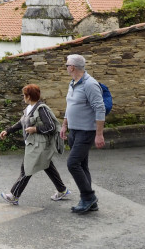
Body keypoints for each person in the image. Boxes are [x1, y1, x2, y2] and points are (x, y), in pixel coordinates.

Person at [0, 84, 70, 206]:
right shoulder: (29, 109)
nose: (23, 97)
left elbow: (51, 127)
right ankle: (62, 190)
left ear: (29, 96)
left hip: (39, 145)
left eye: (24, 95)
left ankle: (14, 196)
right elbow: (21, 123)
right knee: (47, 166)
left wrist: (35, 129)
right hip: (33, 144)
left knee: (27, 168)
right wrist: (8, 131)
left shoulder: (41, 109)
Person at [60, 54, 105, 214]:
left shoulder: (90, 84)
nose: (66, 67)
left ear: (72, 67)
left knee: (72, 163)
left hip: (86, 132)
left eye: (67, 65)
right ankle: (91, 203)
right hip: (74, 130)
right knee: (82, 165)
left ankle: (88, 196)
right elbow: (69, 105)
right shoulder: (72, 83)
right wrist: (64, 125)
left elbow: (100, 108)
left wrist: (99, 134)